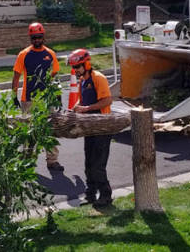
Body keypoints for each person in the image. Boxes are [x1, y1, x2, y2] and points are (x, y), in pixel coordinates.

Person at [12, 22, 64, 172]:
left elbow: (54, 77)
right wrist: (14, 96)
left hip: (47, 99)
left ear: (43, 37)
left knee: (50, 130)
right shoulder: (24, 54)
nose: (36, 40)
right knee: (29, 132)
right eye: (34, 37)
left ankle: (52, 160)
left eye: (39, 37)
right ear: (30, 38)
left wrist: (57, 95)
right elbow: (16, 77)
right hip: (28, 99)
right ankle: (27, 161)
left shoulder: (50, 54)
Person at [68, 48, 114, 207]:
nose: (76, 70)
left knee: (98, 165)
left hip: (102, 128)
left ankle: (106, 195)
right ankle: (91, 194)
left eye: (78, 67)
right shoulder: (83, 82)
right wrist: (75, 108)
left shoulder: (98, 78)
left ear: (86, 64)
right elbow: (82, 102)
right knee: (89, 164)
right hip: (90, 129)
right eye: (74, 68)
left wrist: (86, 109)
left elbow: (107, 100)